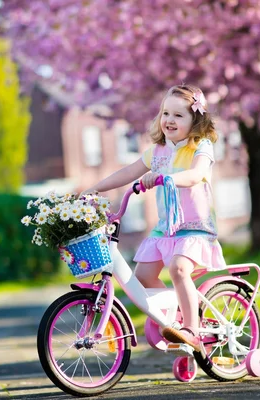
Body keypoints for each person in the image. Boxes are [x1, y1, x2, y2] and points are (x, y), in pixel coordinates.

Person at [82, 84, 226, 352]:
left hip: (195, 227)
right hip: (166, 229)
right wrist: (96, 187)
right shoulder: (157, 152)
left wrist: (167, 178)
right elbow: (127, 172)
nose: (169, 120)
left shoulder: (200, 147)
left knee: (179, 269)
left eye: (179, 115)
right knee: (144, 274)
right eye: (166, 113)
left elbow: (195, 175)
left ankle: (192, 330)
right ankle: (177, 316)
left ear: (196, 120)